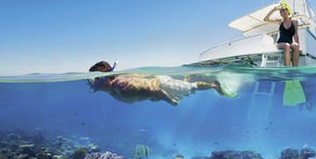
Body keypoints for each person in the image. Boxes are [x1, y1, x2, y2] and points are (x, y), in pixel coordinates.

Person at [87, 61, 235, 106]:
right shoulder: (113, 90)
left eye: (94, 79)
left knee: (191, 88)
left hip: (163, 86)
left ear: (105, 78)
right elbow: (147, 93)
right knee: (185, 88)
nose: (92, 83)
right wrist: (151, 97)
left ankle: (215, 85)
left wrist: (171, 102)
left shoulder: (122, 86)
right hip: (158, 90)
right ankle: (186, 78)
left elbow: (155, 90)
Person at [264, 2, 300, 67]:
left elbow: (296, 35)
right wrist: (273, 10)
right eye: (280, 12)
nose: (281, 12)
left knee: (296, 46)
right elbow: (265, 19)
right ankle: (288, 69)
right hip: (280, 43)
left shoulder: (294, 22)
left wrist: (298, 47)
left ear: (287, 10)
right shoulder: (280, 21)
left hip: (290, 42)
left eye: (283, 10)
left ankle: (295, 69)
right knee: (287, 45)